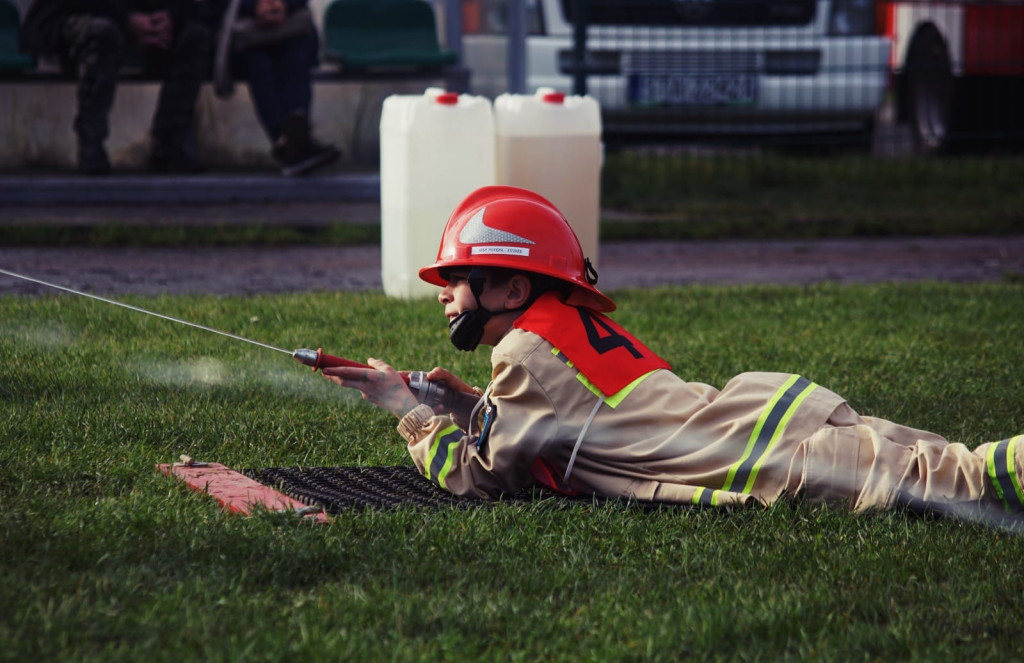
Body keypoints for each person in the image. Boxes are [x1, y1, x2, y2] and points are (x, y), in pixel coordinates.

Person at [322, 185, 1024, 522]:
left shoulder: (526, 354)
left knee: (978, 480)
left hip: (777, 463)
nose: (445, 294)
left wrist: (409, 413)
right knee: (965, 463)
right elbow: (572, 428)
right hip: (786, 424)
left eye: (457, 278)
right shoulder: (553, 332)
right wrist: (472, 404)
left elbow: (484, 481)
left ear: (510, 284)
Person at [19, 0, 211, 175]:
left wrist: (170, 18)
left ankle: (169, 146)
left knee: (195, 37)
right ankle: (91, 146)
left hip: (136, 21)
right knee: (103, 33)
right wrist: (126, 19)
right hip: (70, 16)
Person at [205, 0, 339, 176]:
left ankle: (292, 141)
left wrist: (282, 5)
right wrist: (254, 7)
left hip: (289, 30)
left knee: (296, 58)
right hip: (244, 35)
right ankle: (291, 142)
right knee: (258, 65)